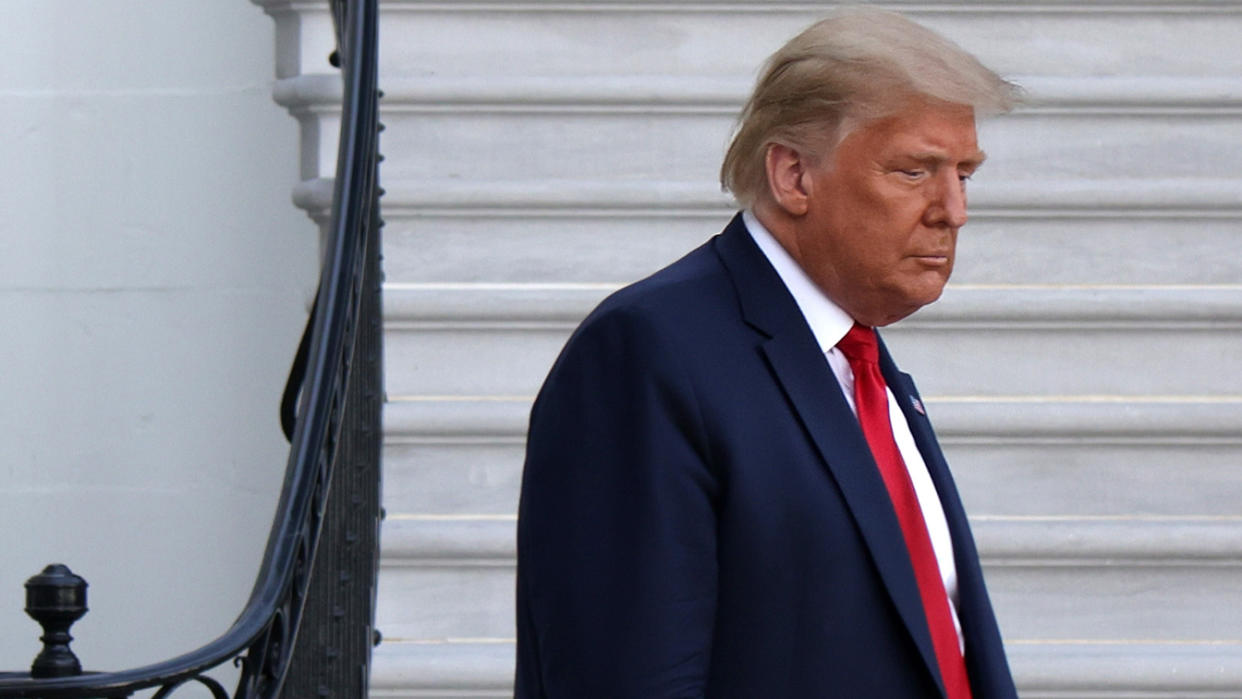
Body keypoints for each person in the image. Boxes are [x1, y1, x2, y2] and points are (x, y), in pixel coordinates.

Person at [515, 8, 1021, 698]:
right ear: (793, 175)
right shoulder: (648, 351)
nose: (953, 209)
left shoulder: (862, 364)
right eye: (914, 170)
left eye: (965, 173)